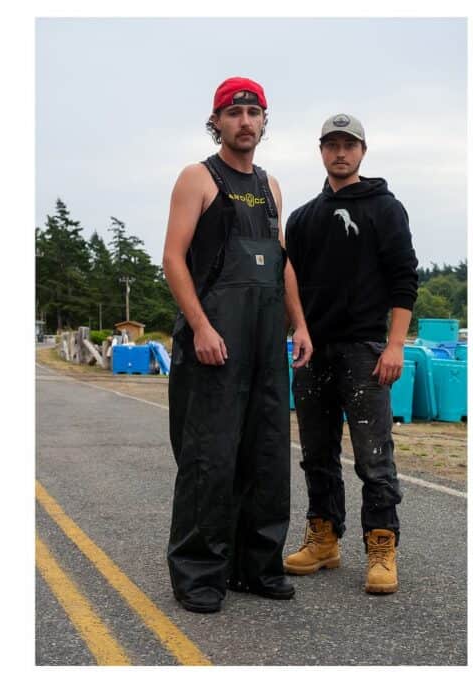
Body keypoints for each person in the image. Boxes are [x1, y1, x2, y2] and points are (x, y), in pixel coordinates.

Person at [162, 76, 313, 613]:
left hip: (265, 340)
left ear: (264, 121)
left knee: (267, 455)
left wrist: (299, 325)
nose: (244, 121)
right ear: (217, 121)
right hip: (216, 342)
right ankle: (201, 574)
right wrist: (200, 326)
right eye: (234, 112)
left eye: (253, 112)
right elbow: (173, 259)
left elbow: (281, 261)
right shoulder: (198, 178)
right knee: (210, 457)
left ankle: (256, 566)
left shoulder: (272, 187)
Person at [283, 115, 418, 594]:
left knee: (373, 457)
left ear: (362, 151)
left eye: (349, 145)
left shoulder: (386, 208)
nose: (340, 153)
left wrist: (395, 344)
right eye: (332, 145)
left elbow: (404, 278)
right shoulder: (302, 218)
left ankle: (381, 545)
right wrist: (298, 328)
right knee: (316, 453)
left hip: (365, 350)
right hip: (313, 351)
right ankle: (324, 536)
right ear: (321, 151)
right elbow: (288, 279)